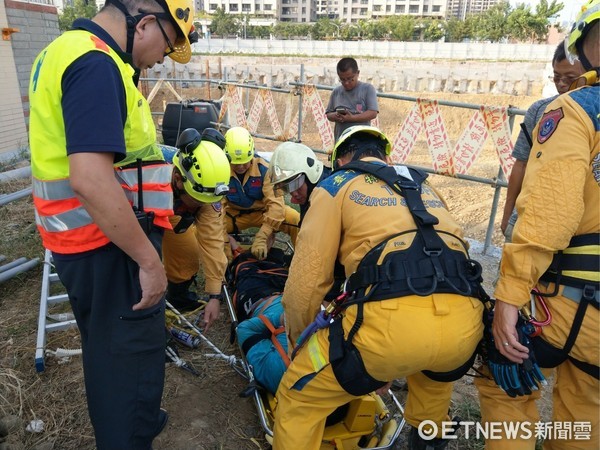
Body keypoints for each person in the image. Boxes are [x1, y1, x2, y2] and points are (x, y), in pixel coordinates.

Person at [28, 0, 197, 447]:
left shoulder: (63, 50)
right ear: (144, 24)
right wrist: (149, 261)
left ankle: (129, 425)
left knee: (108, 355)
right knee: (127, 366)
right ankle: (129, 434)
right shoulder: (97, 64)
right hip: (113, 249)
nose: (164, 56)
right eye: (168, 43)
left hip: (89, 245)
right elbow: (89, 177)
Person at [273, 125, 486, 450]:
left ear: (341, 160)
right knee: (432, 382)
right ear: (385, 156)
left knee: (295, 399)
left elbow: (306, 283)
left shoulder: (336, 186)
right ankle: (429, 440)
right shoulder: (424, 187)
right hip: (464, 330)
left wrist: (298, 342)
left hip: (389, 332)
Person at [475, 1, 600, 448]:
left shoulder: (576, 110)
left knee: (501, 376)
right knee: (586, 404)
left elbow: (551, 211)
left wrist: (509, 295)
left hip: (574, 299)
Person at [500, 42, 584, 240]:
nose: (561, 83)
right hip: (526, 220)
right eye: (556, 77)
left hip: (575, 230)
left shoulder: (592, 117)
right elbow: (521, 164)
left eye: (570, 78)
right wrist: (507, 216)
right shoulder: (539, 110)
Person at [161, 128, 230, 331]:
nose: (199, 206)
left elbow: (212, 241)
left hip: (173, 211)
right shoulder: (151, 173)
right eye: (195, 201)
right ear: (179, 179)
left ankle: (178, 296)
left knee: (187, 254)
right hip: (141, 207)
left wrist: (215, 295)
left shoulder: (207, 192)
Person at [222, 127, 300, 260]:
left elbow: (276, 206)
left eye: (244, 162)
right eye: (235, 163)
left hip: (263, 212)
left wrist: (263, 236)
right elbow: (216, 209)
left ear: (252, 154)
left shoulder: (265, 170)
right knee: (204, 230)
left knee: (296, 220)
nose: (240, 167)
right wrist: (225, 240)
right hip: (234, 214)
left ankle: (300, 260)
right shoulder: (220, 171)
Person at [268, 141, 331, 224]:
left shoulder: (329, 195)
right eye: (286, 188)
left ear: (309, 175)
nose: (294, 194)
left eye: (295, 185)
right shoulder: (311, 192)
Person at [325, 57, 379, 140]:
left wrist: (352, 118)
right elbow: (329, 114)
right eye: (342, 80)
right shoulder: (336, 92)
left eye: (350, 79)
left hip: (362, 142)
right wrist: (336, 116)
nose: (346, 83)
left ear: (357, 73)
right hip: (341, 142)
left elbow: (372, 113)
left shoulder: (367, 89)